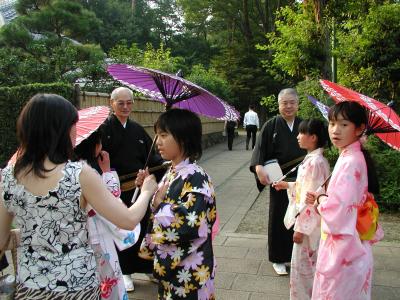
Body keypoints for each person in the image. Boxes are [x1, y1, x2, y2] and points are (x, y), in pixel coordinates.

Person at [0, 94, 157, 299]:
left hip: (30, 283)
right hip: (77, 283)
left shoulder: (8, 176)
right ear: (61, 130)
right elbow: (127, 220)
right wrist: (146, 192)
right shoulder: (78, 174)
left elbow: (2, 240)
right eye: (72, 125)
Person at [305, 101, 383, 299]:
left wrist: (321, 199)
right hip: (352, 245)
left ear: (360, 129)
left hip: (344, 251)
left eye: (344, 124)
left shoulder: (350, 161)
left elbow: (337, 212)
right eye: (331, 124)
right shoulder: (352, 156)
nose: (335, 130)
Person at [138, 109, 217, 299]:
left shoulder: (196, 177)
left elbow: (190, 225)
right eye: (157, 135)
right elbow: (164, 205)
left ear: (183, 138)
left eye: (164, 135)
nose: (158, 142)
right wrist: (147, 189)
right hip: (172, 266)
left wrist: (158, 203)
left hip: (189, 269)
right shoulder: (172, 171)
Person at [100, 87, 165, 292]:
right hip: (115, 190)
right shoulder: (104, 130)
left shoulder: (137, 129)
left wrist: (160, 166)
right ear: (112, 103)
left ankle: (146, 267)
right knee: (122, 230)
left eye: (129, 102)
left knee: (144, 227)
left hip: (139, 187)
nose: (126, 106)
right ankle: (124, 272)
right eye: (121, 103)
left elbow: (152, 158)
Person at [74, 130, 140, 300]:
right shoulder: (87, 173)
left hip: (78, 238)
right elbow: (112, 196)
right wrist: (107, 170)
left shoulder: (66, 170)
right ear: (95, 146)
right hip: (97, 236)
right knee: (107, 277)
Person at [250, 88, 306, 275]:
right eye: (284, 103)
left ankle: (299, 256)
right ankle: (278, 258)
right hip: (279, 180)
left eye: (292, 102)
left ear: (298, 104)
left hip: (300, 180)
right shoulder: (271, 125)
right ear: (279, 104)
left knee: (301, 218)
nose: (288, 106)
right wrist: (258, 168)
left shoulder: (304, 125)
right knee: (279, 217)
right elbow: (259, 150)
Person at [273, 119, 330, 299]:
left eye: (301, 133)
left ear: (313, 137)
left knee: (303, 269)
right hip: (311, 225)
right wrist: (288, 185)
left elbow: (309, 199)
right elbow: (305, 187)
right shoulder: (315, 159)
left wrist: (299, 229)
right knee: (307, 267)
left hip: (308, 228)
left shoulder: (315, 162)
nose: (298, 136)